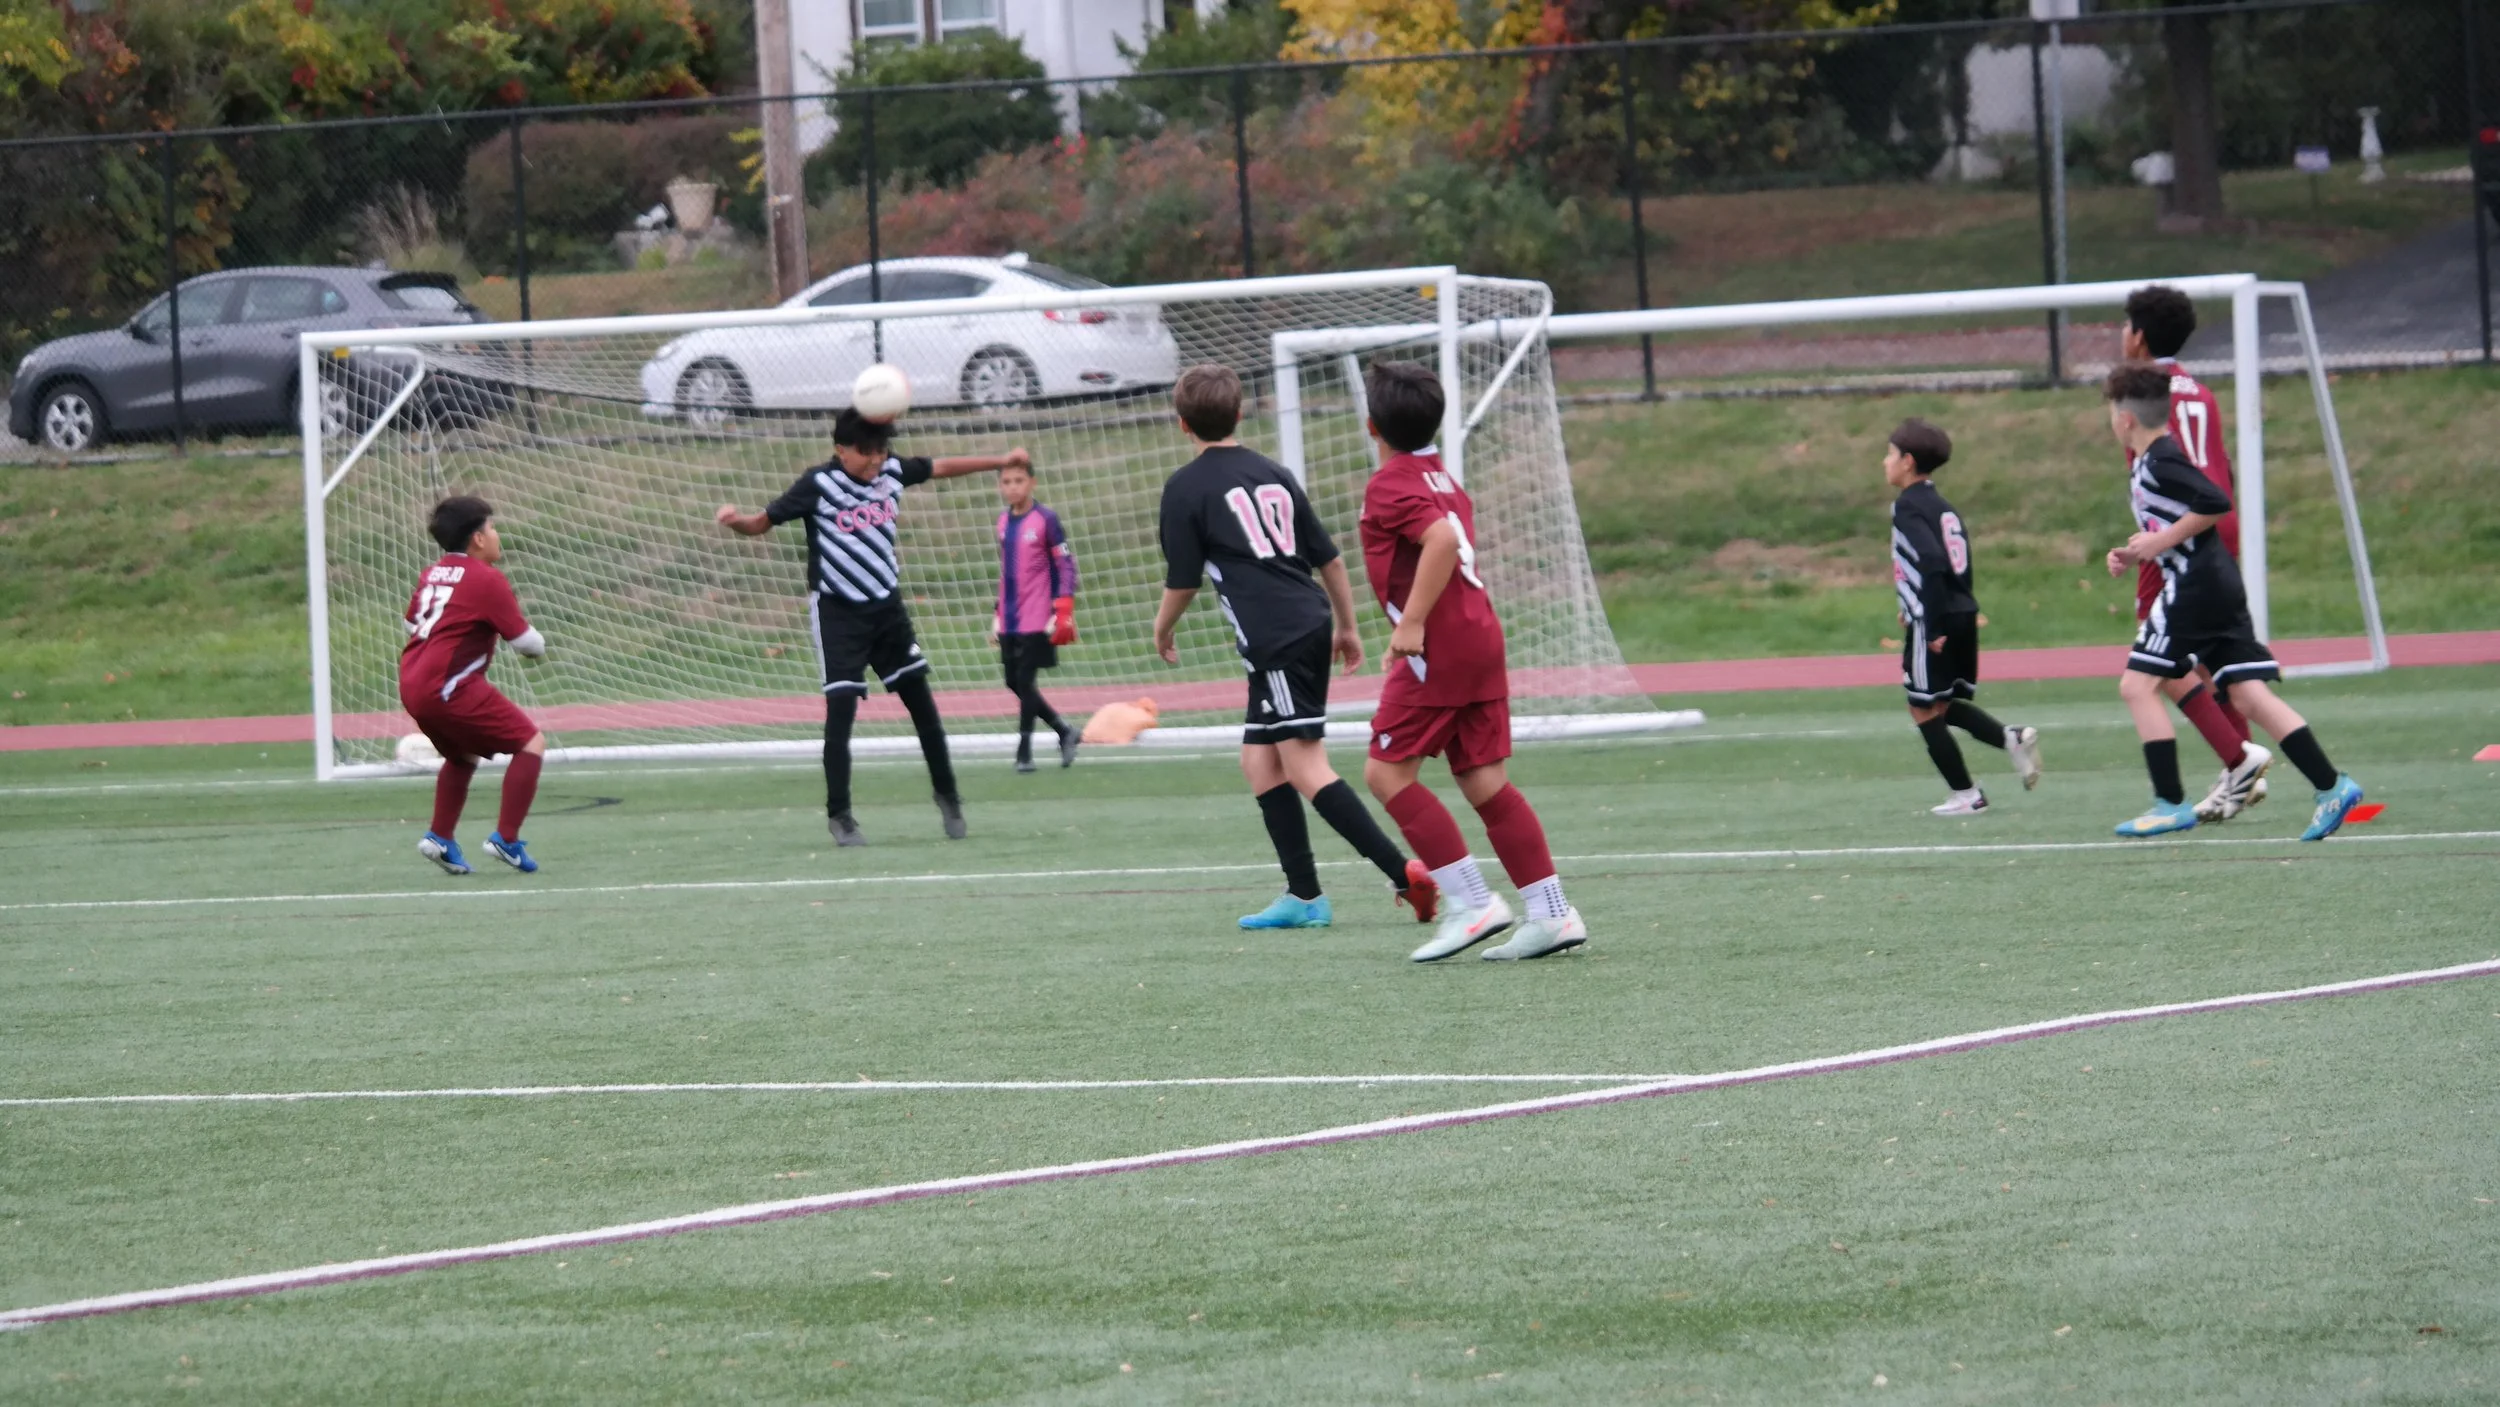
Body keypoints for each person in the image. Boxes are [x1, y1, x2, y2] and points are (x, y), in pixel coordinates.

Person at [1151, 363, 1438, 932]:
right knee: (1259, 759)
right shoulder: (1273, 472)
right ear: (1239, 414)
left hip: (1275, 638)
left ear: (1182, 425)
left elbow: (1182, 581)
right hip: (1304, 622)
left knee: (1305, 764)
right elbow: (1328, 557)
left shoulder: (1185, 488)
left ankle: (1403, 874)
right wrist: (1347, 625)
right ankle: (1304, 896)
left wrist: (1163, 629)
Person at [1353, 361, 1590, 962]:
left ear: (1370, 426)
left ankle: (1471, 901)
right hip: (1480, 637)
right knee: (1484, 780)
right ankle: (1552, 913)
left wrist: (1410, 623)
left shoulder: (1391, 483)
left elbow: (1440, 541)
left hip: (1442, 648)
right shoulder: (1441, 477)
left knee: (1386, 773)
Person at [715, 409, 1028, 846]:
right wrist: (736, 523)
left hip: (887, 611)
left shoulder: (893, 471)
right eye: (866, 452)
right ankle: (841, 816)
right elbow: (762, 522)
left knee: (923, 707)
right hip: (838, 614)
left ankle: (948, 795)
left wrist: (999, 461)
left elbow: (940, 467)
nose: (875, 460)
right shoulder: (818, 485)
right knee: (841, 713)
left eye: (881, 450)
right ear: (840, 450)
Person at [2103, 363, 2364, 840]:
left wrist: (2158, 546)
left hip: (2194, 589)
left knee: (2136, 686)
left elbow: (2216, 500)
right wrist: (2134, 549)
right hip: (2218, 583)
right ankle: (2332, 786)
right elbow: (2178, 519)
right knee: (2247, 695)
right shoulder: (2151, 461)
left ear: (2125, 419)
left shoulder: (2161, 458)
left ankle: (2169, 802)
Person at [2120, 285, 2271, 822]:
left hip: (2179, 534)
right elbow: (2215, 461)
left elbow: (2155, 470)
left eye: (2125, 326)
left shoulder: (2141, 392)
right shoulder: (2200, 390)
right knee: (2205, 665)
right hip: (2214, 526)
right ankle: (2242, 767)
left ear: (2137, 336)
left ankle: (2237, 762)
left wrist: (2154, 540)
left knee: (2156, 662)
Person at [1883, 417, 2042, 816]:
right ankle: (2011, 738)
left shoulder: (1907, 506)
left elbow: (1933, 562)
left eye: (1888, 454)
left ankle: (1967, 794)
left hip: (1936, 620)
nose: (1884, 462)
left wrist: (1929, 620)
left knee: (1921, 706)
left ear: (1907, 461)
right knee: (1942, 702)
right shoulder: (1942, 506)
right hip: (1961, 613)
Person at [399, 495, 549, 875]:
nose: (497, 535)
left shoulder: (431, 573)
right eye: (492, 527)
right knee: (531, 742)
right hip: (449, 685)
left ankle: (440, 837)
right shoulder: (485, 579)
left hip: (412, 681)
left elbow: (411, 625)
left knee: (462, 754)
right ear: (478, 538)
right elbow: (527, 644)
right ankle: (506, 839)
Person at [989, 459, 1080, 773]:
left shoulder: (1046, 519)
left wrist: (1063, 606)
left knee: (1026, 680)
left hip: (1038, 614)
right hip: (1011, 615)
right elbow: (1006, 572)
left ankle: (1024, 752)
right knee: (1013, 681)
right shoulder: (1002, 522)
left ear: (1032, 483)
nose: (1012, 487)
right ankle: (1063, 730)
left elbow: (1065, 565)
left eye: (1018, 480)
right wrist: (997, 612)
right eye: (1006, 482)